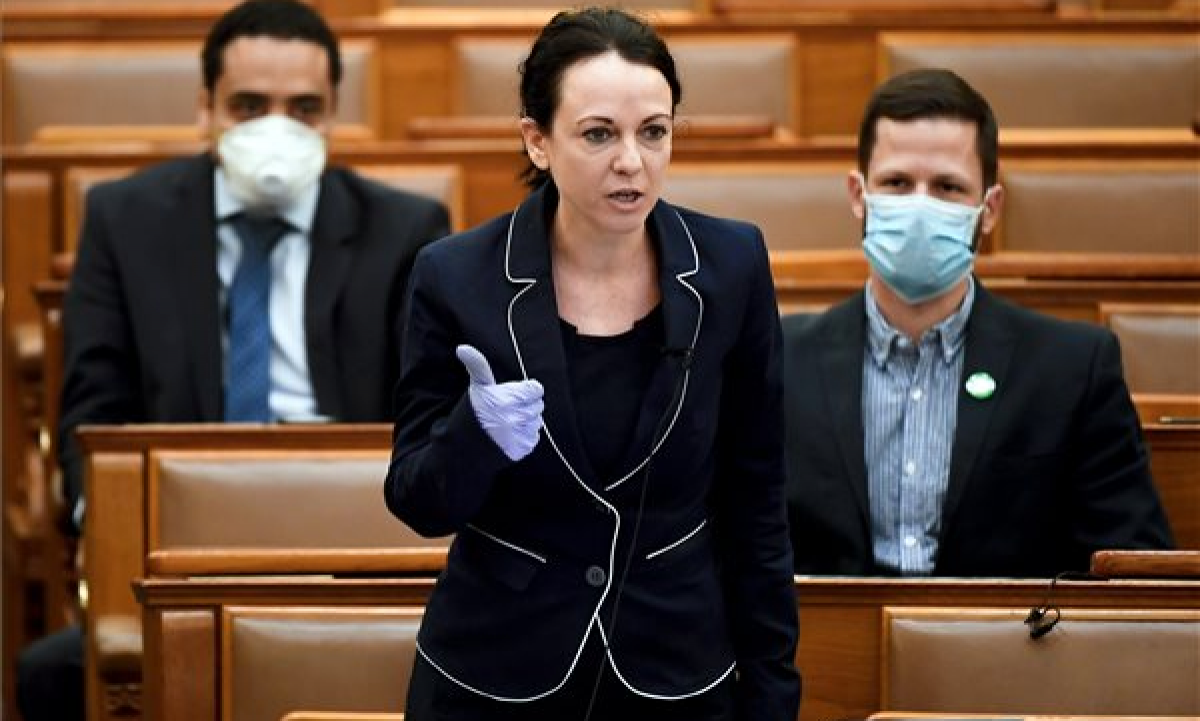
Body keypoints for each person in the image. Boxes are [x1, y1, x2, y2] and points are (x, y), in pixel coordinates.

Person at [17, 1, 450, 718]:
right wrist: (111, 531)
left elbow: (423, 412)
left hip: (348, 533)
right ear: (205, 110)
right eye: (248, 107)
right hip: (181, 538)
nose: (275, 129)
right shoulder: (126, 219)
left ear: (332, 117)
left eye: (303, 109)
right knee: (52, 674)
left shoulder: (405, 228)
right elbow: (94, 408)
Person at [384, 8, 800, 720]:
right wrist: (473, 437)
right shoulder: (454, 276)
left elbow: (756, 499)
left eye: (654, 132)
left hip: (676, 667)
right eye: (599, 134)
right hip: (496, 671)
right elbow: (416, 500)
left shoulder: (731, 267)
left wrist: (772, 692)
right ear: (537, 140)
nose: (631, 161)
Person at [783, 68, 1174, 578]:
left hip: (1011, 631)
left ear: (989, 209)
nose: (920, 205)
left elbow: (1134, 570)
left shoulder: (1073, 370)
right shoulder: (779, 359)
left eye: (948, 187)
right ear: (859, 195)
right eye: (897, 183)